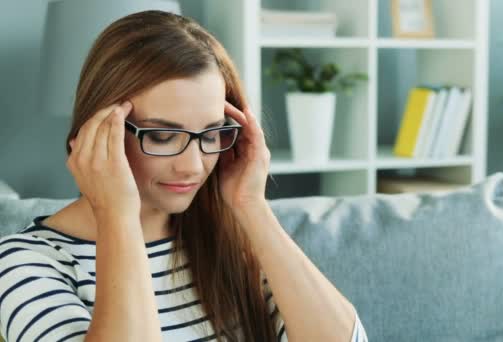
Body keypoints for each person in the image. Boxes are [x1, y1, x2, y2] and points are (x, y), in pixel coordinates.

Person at [0, 10, 368, 342]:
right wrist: (117, 216)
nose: (193, 165)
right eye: (161, 136)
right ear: (98, 132)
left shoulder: (233, 246)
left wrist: (251, 205)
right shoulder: (24, 265)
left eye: (210, 134)